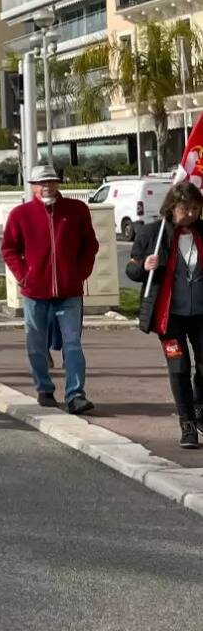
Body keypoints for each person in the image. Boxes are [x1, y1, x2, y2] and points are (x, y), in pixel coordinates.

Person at [1, 164, 100, 413]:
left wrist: (80, 273)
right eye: (42, 182)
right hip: (35, 292)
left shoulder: (76, 210)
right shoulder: (20, 215)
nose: (47, 186)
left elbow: (90, 245)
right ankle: (44, 388)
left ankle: (76, 394)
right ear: (33, 186)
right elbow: (9, 249)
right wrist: (24, 276)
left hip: (69, 292)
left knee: (73, 344)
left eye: (52, 182)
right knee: (35, 343)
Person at [127, 182, 203, 447]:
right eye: (185, 209)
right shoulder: (153, 233)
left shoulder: (201, 234)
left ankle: (199, 406)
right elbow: (131, 269)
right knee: (179, 366)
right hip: (168, 316)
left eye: (195, 209)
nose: (191, 214)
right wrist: (145, 266)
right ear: (172, 207)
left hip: (200, 314)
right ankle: (188, 424)